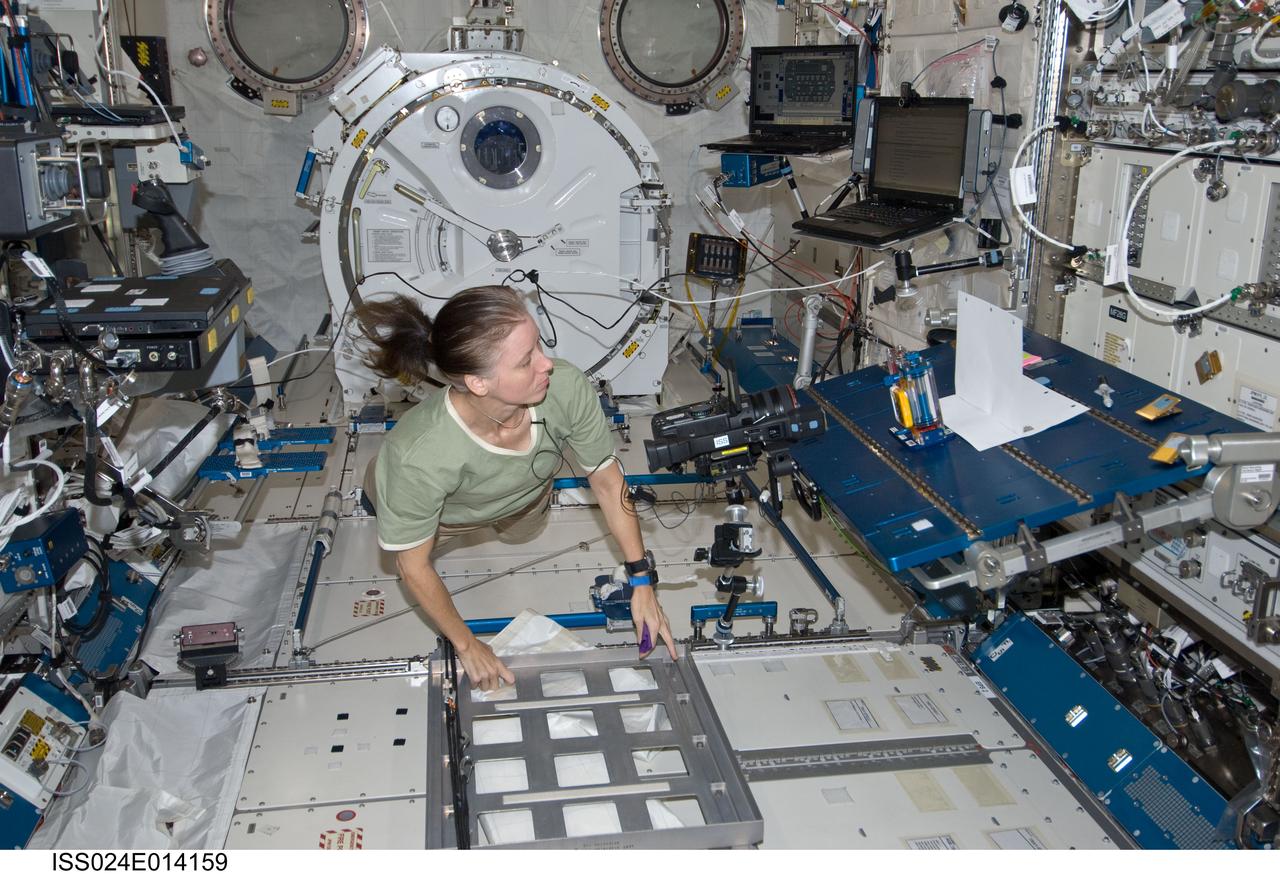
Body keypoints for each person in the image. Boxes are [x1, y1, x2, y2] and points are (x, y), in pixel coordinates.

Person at [354, 285, 676, 691]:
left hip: (525, 498)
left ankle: (509, 511)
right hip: (447, 517)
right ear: (478, 382)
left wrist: (642, 582)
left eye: (539, 345)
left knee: (525, 532)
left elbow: (610, 485)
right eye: (527, 361)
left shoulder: (566, 387)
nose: (547, 365)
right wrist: (468, 645)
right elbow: (412, 566)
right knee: (394, 525)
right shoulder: (417, 454)